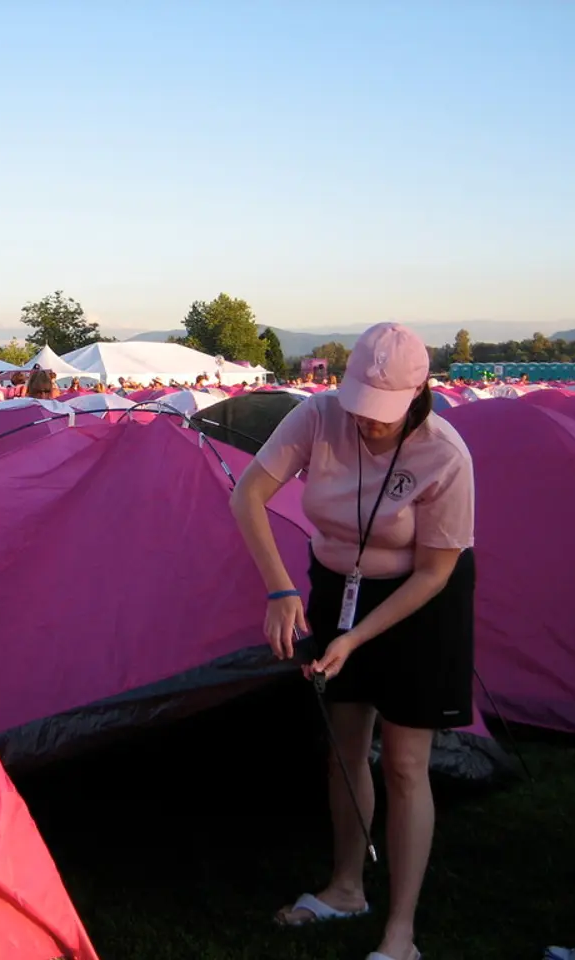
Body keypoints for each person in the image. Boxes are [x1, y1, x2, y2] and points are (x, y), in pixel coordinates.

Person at [230, 322, 476, 960]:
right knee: (344, 745)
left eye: (383, 413)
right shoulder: (317, 416)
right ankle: (346, 888)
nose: (367, 423)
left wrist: (358, 638)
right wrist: (281, 589)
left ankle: (401, 932)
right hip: (335, 582)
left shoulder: (445, 454)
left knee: (403, 763)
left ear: (419, 394)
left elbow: (436, 572)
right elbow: (247, 494)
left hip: (419, 601)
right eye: (360, 407)